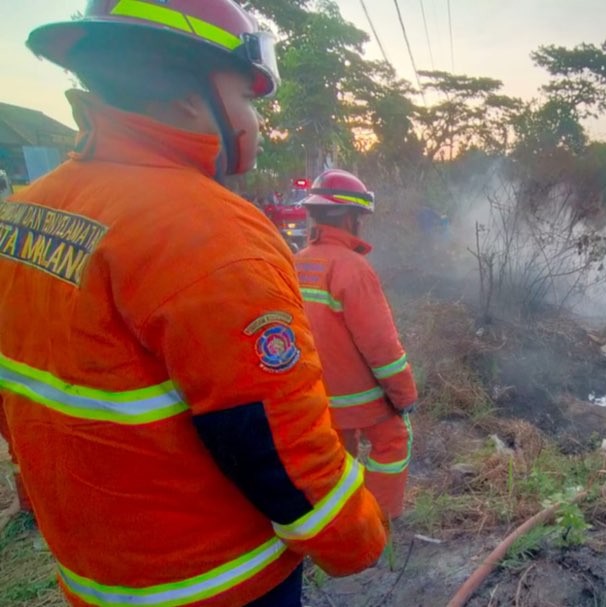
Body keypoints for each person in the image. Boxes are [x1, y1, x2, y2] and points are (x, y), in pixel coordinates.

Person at [0, 3, 387, 606]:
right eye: (248, 98)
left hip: (97, 581)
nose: (255, 121)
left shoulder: (25, 209)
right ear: (188, 97)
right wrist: (359, 538)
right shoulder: (209, 232)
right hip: (217, 582)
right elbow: (276, 444)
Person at [295, 170, 418, 520]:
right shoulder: (353, 269)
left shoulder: (296, 263)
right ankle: (377, 523)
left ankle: (341, 522)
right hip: (356, 395)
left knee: (338, 457)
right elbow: (381, 347)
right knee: (394, 439)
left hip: (313, 394)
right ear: (350, 217)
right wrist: (404, 396)